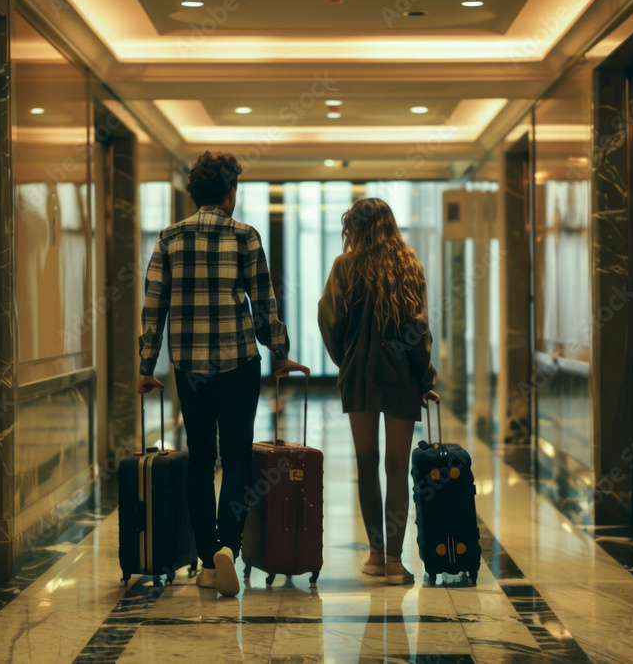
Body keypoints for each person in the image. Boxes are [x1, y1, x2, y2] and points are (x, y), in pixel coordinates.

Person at [138, 151, 306, 597]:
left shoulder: (169, 238)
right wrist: (280, 352)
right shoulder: (245, 236)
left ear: (194, 193)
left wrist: (145, 365)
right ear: (231, 193)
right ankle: (227, 546)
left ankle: (206, 559)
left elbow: (153, 305)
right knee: (235, 457)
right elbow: (263, 300)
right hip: (239, 364)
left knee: (199, 456)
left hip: (189, 367)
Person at [317, 197, 439, 585]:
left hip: (360, 378)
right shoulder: (408, 266)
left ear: (355, 226)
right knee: (397, 468)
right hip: (401, 377)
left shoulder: (344, 267)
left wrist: (346, 361)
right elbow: (418, 330)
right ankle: (393, 561)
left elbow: (328, 319)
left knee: (366, 464)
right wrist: (425, 378)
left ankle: (373, 555)